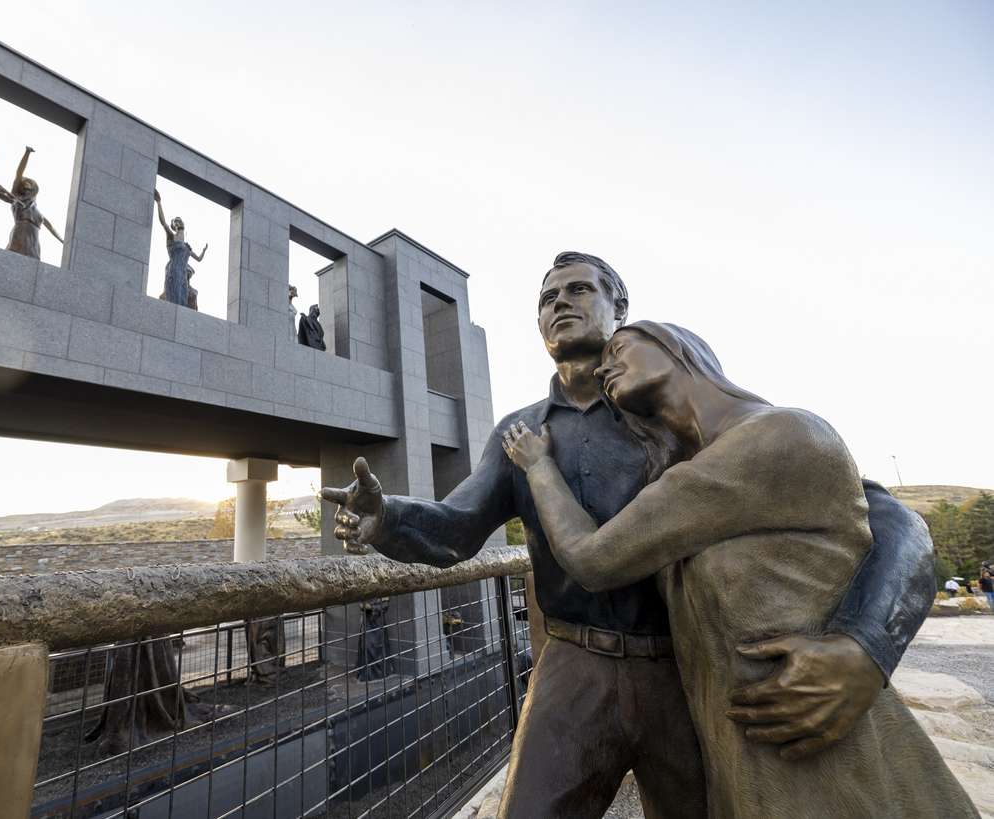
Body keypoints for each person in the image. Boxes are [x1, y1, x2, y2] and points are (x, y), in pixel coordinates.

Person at [322, 252, 936, 818]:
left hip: (684, 670)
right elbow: (457, 529)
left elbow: (881, 513)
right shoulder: (518, 433)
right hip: (573, 668)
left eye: (579, 289)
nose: (558, 302)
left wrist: (868, 644)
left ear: (620, 310)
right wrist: (389, 519)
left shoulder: (673, 404)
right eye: (546, 297)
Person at [501, 321, 976, 818]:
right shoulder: (686, 469)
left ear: (677, 348)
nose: (605, 367)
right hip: (740, 759)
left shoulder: (779, 435)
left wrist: (866, 644)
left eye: (620, 348)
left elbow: (894, 519)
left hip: (815, 756)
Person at [5, 146, 64, 259]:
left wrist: (63, 241)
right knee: (15, 258)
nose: (27, 187)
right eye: (24, 185)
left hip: (34, 241)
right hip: (20, 235)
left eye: (29, 186)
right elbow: (19, 173)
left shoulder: (38, 212)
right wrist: (27, 153)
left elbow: (51, 227)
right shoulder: (17, 200)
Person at [153, 190, 206, 307]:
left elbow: (198, 259)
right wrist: (159, 203)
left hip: (183, 276)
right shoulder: (172, 237)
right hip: (173, 273)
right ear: (174, 226)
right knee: (173, 300)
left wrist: (204, 251)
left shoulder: (187, 247)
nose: (178, 222)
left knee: (184, 302)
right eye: (176, 221)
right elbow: (163, 223)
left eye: (179, 220)